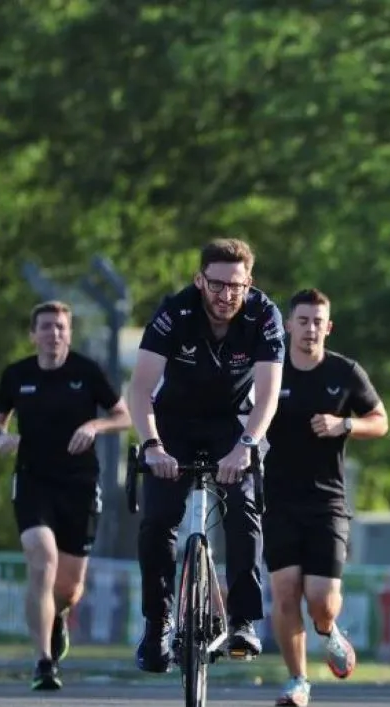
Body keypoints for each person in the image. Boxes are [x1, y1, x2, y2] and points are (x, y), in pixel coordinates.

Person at [127, 238, 285, 673]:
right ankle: (157, 623)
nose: (225, 295)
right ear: (200, 280)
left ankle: (243, 621)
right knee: (158, 520)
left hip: (233, 424)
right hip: (173, 422)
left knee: (243, 508)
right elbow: (140, 389)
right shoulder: (174, 312)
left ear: (248, 283)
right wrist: (152, 445)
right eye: (216, 284)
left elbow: (268, 396)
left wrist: (246, 447)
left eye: (235, 286)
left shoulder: (264, 315)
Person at [0, 300, 132, 690]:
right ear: (33, 334)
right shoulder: (17, 375)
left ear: (69, 333)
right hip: (32, 482)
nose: (54, 333)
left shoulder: (87, 372)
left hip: (79, 485)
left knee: (69, 588)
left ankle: (58, 616)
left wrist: (94, 426)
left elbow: (124, 416)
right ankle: (43, 662)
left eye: (61, 327)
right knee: (41, 558)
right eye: (47, 327)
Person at [261, 288, 389, 707]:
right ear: (288, 325)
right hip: (278, 499)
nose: (310, 329)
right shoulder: (271, 370)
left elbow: (380, 421)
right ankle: (297, 680)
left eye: (318, 322)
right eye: (303, 321)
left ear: (328, 327)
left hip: (327, 503)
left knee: (321, 600)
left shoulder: (344, 372)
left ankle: (329, 629)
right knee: (284, 591)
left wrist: (344, 425)